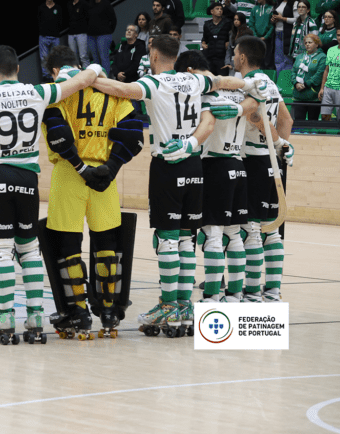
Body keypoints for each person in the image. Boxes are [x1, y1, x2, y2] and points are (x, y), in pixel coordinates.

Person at [92, 35, 265, 336]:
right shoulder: (195, 81)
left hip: (167, 164)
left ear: (153, 55)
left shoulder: (153, 83)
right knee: (186, 239)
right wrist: (249, 85)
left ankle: (168, 305)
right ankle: (184, 307)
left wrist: (89, 78)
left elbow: (121, 89)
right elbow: (223, 82)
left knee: (167, 240)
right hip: (194, 163)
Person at [0, 45, 102, 344]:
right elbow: (81, 81)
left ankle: (5, 316)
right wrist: (95, 69)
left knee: (1, 249)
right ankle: (36, 316)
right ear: (18, 69)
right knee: (29, 248)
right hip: (28, 178)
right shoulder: (39, 92)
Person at [40, 45, 144, 338]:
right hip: (104, 174)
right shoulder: (110, 90)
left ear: (56, 71)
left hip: (70, 172)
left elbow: (58, 133)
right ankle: (109, 312)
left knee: (68, 245)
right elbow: (134, 133)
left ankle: (79, 313)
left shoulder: (59, 92)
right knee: (107, 243)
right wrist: (111, 167)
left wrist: (80, 167)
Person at [171, 51, 258, 305]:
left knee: (212, 234)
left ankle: (211, 296)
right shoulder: (239, 91)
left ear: (189, 71)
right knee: (234, 234)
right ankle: (235, 295)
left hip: (215, 165)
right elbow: (257, 101)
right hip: (238, 164)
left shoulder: (204, 93)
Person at [235, 37, 294, 303]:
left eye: (235, 53)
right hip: (272, 163)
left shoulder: (250, 84)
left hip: (253, 161)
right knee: (271, 230)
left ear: (243, 57)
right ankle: (272, 291)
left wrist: (277, 142)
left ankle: (250, 293)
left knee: (252, 229)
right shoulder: (270, 82)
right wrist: (280, 149)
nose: (233, 57)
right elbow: (287, 119)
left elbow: (255, 117)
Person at [292, 34, 327, 121]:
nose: (307, 44)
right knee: (299, 123)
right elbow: (293, 72)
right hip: (298, 96)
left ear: (317, 44)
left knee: (313, 123)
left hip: (313, 96)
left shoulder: (322, 57)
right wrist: (296, 83)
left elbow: (319, 74)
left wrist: (305, 84)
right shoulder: (299, 56)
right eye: (306, 43)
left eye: (310, 42)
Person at [86, 0, 116, 74]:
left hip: (104, 35)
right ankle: (97, 77)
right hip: (91, 35)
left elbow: (113, 20)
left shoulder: (106, 4)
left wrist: (109, 31)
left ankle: (105, 77)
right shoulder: (89, 4)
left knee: (104, 57)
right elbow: (86, 19)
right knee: (95, 58)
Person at [271, 0, 299, 72]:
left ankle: (286, 79)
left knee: (287, 59)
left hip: (288, 33)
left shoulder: (295, 3)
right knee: (278, 59)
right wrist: (273, 20)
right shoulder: (278, 2)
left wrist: (282, 18)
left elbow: (297, 20)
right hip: (277, 33)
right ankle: (279, 79)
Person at [37, 0, 64, 80]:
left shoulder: (58, 8)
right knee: (44, 58)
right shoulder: (41, 7)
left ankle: (55, 75)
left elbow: (60, 21)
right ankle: (46, 76)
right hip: (44, 37)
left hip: (55, 37)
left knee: (55, 57)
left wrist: (56, 31)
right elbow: (38, 20)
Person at [201, 1, 231, 75]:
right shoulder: (207, 24)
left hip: (222, 57)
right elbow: (205, 38)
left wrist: (229, 42)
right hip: (210, 56)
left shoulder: (227, 23)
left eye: (221, 9)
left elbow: (231, 36)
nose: (220, 10)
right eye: (217, 9)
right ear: (212, 11)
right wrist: (203, 43)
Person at [250, 0, 276, 68]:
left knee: (268, 61)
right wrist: (255, 35)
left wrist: (266, 36)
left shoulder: (271, 8)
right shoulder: (254, 9)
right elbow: (251, 24)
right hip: (256, 39)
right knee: (258, 61)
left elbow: (273, 25)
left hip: (268, 39)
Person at [66, 0, 89, 66]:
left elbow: (88, 18)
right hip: (71, 34)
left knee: (83, 56)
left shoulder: (84, 4)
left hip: (82, 34)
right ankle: (77, 73)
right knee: (73, 57)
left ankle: (87, 73)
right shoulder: (69, 4)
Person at [319, 40, 340, 121]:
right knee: (324, 116)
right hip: (328, 87)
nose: (339, 37)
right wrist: (322, 88)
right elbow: (326, 70)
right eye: (338, 35)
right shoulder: (331, 50)